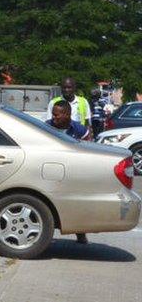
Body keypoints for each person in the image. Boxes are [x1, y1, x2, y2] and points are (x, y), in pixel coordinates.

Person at [45, 99, 91, 244]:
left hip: (73, 173)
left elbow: (89, 152)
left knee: (76, 204)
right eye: (53, 114)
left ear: (67, 115)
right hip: (51, 171)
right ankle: (46, 235)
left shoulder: (80, 130)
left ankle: (80, 232)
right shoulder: (45, 127)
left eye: (57, 115)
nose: (53, 117)